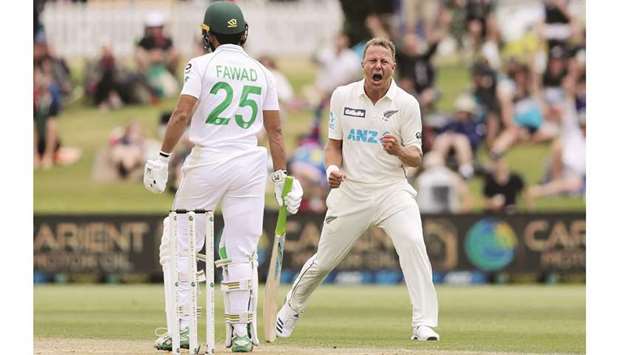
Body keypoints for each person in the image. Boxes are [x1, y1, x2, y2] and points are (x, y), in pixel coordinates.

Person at [142, 2, 303, 352]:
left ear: (207, 35)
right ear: (244, 33)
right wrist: (281, 177)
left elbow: (183, 112)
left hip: (208, 161)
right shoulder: (262, 72)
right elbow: (275, 131)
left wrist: (161, 158)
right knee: (241, 251)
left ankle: (182, 330)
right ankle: (241, 333)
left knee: (181, 245)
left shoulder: (201, 65)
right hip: (250, 164)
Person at [275, 38, 440, 342]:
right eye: (372, 61)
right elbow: (333, 146)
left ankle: (424, 323)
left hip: (392, 190)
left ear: (393, 66)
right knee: (323, 261)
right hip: (351, 191)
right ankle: (291, 307)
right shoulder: (342, 96)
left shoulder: (407, 103)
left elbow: (416, 157)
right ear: (363, 65)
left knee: (414, 242)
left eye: (384, 62)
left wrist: (399, 150)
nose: (378, 66)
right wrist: (332, 171)